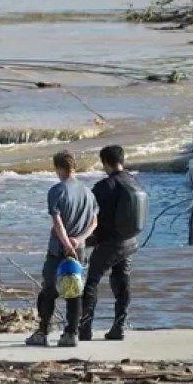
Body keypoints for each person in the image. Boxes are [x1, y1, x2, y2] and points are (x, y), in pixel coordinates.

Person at [25, 150, 98, 348]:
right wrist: (78, 240)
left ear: (58, 168)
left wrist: (66, 243)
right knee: (74, 291)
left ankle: (42, 332)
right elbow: (94, 223)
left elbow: (57, 221)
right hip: (80, 249)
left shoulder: (57, 191)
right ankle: (71, 333)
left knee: (48, 290)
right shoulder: (88, 192)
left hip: (59, 249)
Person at [80, 145, 140, 341]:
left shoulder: (104, 186)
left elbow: (92, 215)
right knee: (122, 282)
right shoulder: (133, 181)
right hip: (130, 242)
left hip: (109, 243)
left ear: (105, 162)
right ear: (122, 160)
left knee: (91, 284)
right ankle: (119, 327)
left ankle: (85, 329)